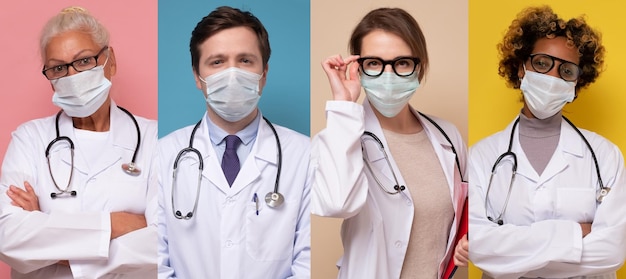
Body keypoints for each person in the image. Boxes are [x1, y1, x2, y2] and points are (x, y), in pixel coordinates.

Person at [468, 5, 626, 278]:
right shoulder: (481, 156)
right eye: (542, 63)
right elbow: (479, 247)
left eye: (566, 71)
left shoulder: (605, 156)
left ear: (576, 83)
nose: (552, 77)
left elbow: (612, 251)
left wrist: (513, 249)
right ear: (521, 68)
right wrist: (577, 232)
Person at [0, 6, 158, 279]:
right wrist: (117, 224)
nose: (72, 76)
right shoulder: (30, 139)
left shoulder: (155, 139)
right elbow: (8, 237)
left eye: (84, 61)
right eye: (58, 68)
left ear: (111, 61)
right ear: (50, 79)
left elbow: (163, 242)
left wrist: (51, 237)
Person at [310, 7, 468, 279]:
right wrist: (342, 106)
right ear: (357, 70)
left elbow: (465, 215)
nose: (389, 75)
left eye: (402, 63)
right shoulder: (341, 136)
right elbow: (337, 204)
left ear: (419, 67)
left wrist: (470, 241)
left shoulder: (448, 137)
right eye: (374, 63)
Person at [156, 6, 311, 278]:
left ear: (263, 73)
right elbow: (157, 261)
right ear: (197, 77)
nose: (232, 73)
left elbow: (307, 263)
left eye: (245, 60)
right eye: (217, 62)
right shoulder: (163, 155)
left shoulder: (305, 154)